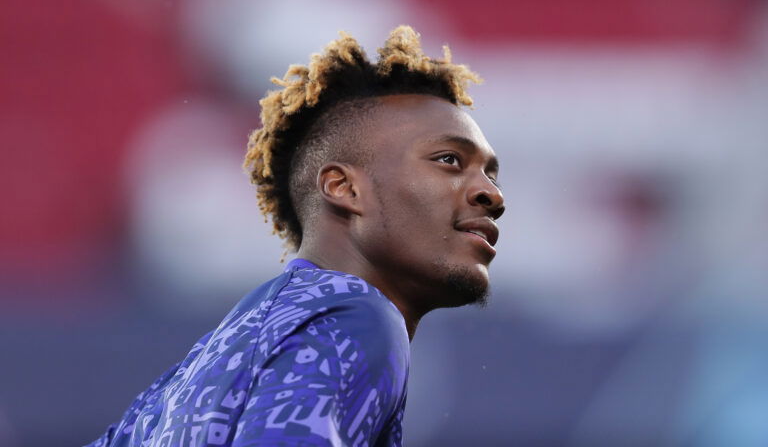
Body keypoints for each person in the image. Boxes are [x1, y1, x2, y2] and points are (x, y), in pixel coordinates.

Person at [86, 26, 504, 447]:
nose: (492, 194)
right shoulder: (356, 318)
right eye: (449, 160)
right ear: (344, 188)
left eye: (490, 173)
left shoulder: (199, 368)